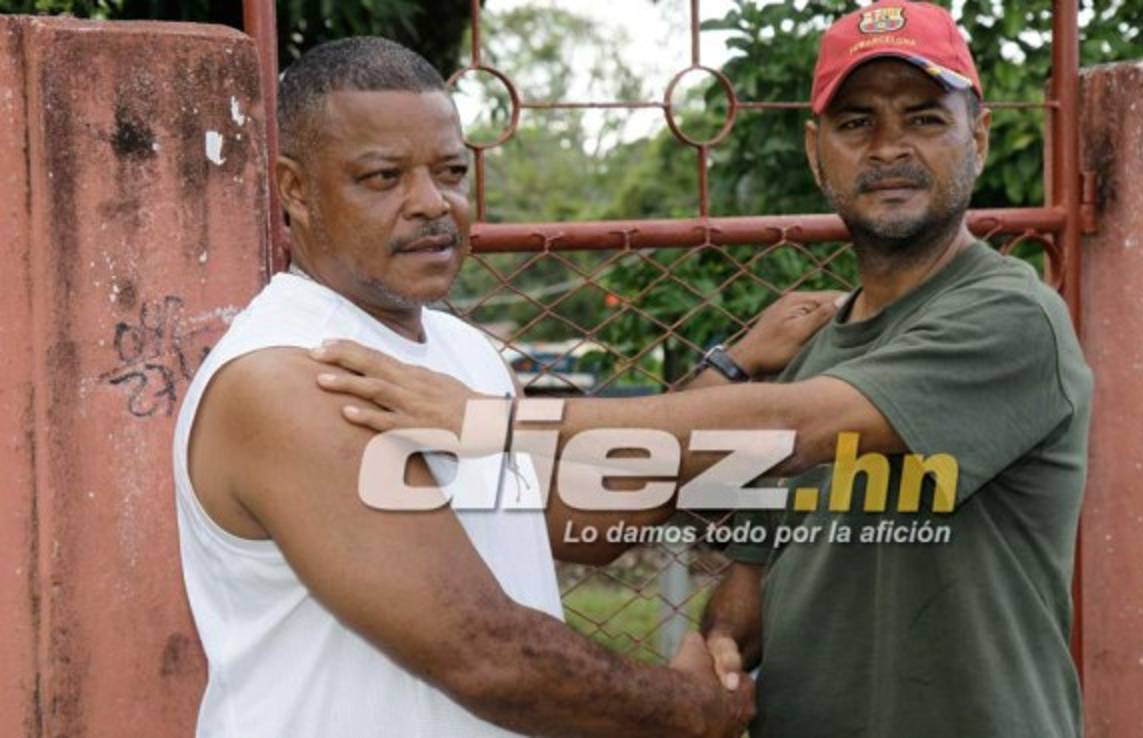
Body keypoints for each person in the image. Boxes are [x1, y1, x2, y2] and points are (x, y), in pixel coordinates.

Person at [311, 3, 1093, 737]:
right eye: (857, 123)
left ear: (979, 137)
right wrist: (720, 640)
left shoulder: (1011, 318)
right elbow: (754, 565)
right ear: (816, 151)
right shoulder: (814, 348)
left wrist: (493, 423)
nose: (889, 148)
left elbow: (797, 427)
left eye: (925, 119)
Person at [173, 36, 768, 738]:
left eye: (451, 171)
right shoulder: (291, 374)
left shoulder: (464, 351)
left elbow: (585, 514)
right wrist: (693, 709)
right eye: (383, 177)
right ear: (295, 190)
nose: (433, 204)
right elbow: (482, 652)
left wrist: (745, 374)